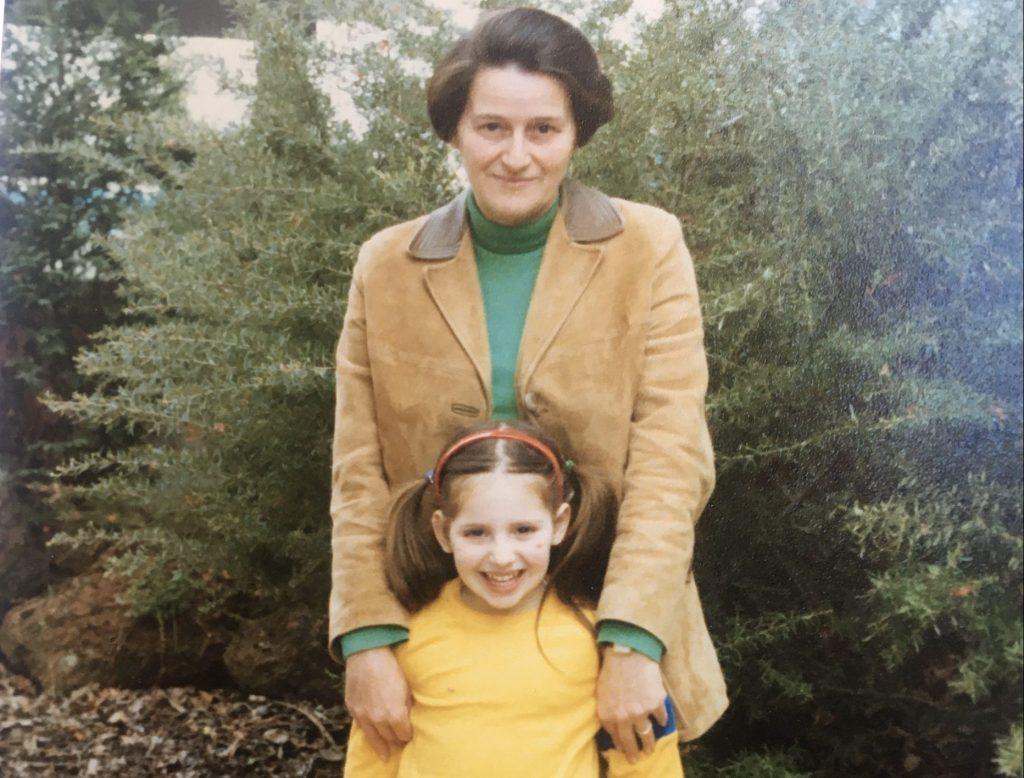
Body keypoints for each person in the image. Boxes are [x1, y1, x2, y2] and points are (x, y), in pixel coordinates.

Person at [329, 5, 728, 767]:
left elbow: (671, 456)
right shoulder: (385, 266)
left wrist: (635, 638)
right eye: (491, 128)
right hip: (433, 645)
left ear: (577, 132)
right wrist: (366, 637)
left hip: (601, 631)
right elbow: (357, 469)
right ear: (454, 130)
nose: (517, 156)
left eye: (543, 129)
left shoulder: (649, 247)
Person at [343, 421, 684, 777]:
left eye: (524, 530)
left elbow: (644, 758)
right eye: (476, 533)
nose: (502, 556)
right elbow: (374, 757)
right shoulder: (408, 634)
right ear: (443, 532)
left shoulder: (595, 636)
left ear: (559, 523)